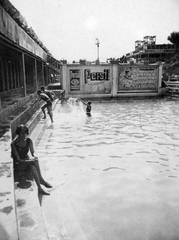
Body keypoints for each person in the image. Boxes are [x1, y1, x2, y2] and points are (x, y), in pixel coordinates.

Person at [11, 125, 52, 195]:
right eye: (22, 133)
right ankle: (41, 180)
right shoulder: (14, 144)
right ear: (18, 133)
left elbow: (33, 152)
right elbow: (18, 160)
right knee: (33, 162)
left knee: (34, 164)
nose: (24, 135)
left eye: (25, 133)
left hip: (25, 161)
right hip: (19, 165)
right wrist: (29, 161)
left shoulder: (28, 141)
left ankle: (40, 188)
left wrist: (35, 156)